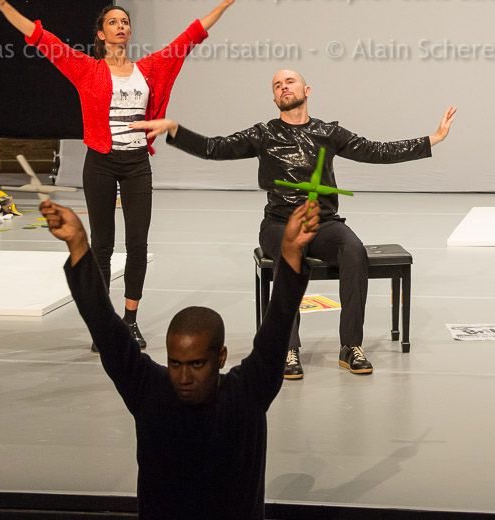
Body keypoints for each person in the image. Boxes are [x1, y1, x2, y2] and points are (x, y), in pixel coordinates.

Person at [134, 69, 456, 379]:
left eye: (290, 81)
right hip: (279, 224)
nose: (284, 87)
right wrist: (175, 130)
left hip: (323, 223)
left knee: (353, 249)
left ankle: (350, 346)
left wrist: (433, 139)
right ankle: (288, 349)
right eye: (277, 85)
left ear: (307, 90)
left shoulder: (328, 132)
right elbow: (213, 148)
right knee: (291, 253)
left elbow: (376, 151)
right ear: (275, 98)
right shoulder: (263, 134)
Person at [0, 0, 238, 349]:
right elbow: (43, 39)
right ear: (101, 34)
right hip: (101, 164)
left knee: (137, 245)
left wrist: (224, 4)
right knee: (101, 246)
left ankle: (130, 320)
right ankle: (104, 324)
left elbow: (188, 38)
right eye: (113, 22)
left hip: (136, 165)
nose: (121, 26)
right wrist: (4, 4)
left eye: (125, 22)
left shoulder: (149, 69)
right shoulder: (86, 69)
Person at [40, 194, 317, 520]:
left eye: (197, 364)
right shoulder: (151, 391)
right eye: (175, 363)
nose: (184, 377)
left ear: (221, 357)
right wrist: (78, 244)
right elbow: (106, 328)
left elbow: (279, 322)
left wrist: (290, 252)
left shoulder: (246, 395)